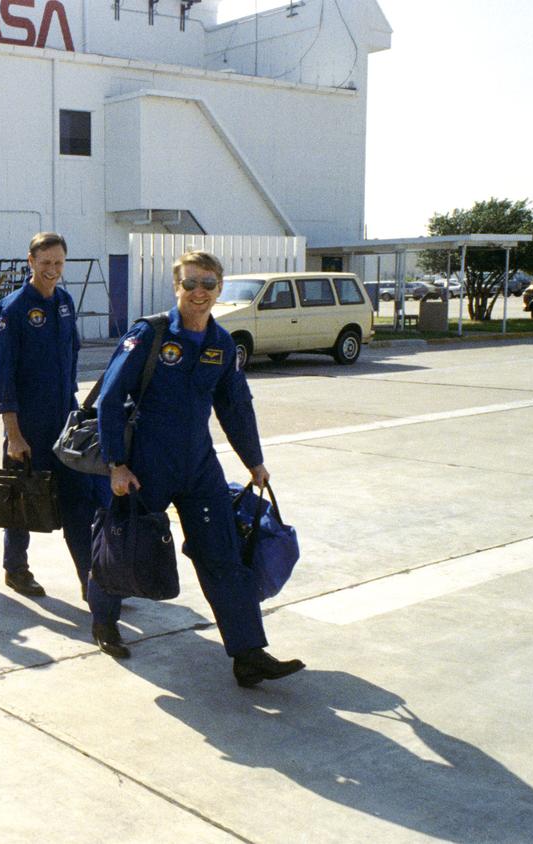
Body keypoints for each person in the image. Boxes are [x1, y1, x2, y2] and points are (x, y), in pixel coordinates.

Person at [95, 249, 304, 686]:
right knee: (125, 544)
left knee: (223, 555)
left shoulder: (221, 344)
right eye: (190, 283)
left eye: (208, 284)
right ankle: (104, 622)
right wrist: (116, 464)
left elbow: (235, 405)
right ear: (177, 287)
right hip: (145, 465)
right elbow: (111, 400)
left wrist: (255, 461)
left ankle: (248, 653)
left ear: (219, 288)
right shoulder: (149, 335)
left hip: (198, 467)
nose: (199, 292)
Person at [0, 232, 124, 656]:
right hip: (27, 423)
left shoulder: (64, 302)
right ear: (30, 260)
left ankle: (94, 588)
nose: (52, 270)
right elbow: (3, 375)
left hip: (64, 419)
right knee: (23, 496)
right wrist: (13, 433)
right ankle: (16, 567)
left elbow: (73, 353)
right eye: (45, 262)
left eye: (58, 262)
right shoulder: (13, 310)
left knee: (79, 503)